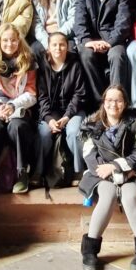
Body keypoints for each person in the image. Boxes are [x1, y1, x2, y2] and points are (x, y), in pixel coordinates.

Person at [78, 85, 136, 270]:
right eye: (109, 100)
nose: (114, 104)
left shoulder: (135, 123)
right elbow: (89, 155)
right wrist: (109, 172)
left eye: (118, 100)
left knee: (130, 196)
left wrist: (116, 167)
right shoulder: (90, 125)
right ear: (104, 102)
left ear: (125, 103)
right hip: (100, 173)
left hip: (132, 172)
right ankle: (90, 250)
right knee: (108, 195)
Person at [0, 23, 38, 194]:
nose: (9, 44)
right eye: (5, 40)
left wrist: (13, 105)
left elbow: (32, 94)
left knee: (17, 127)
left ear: (19, 41)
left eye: (13, 40)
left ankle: (22, 172)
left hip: (19, 106)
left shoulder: (28, 60)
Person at [74, 0, 131, 103]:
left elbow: (123, 22)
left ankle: (117, 100)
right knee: (85, 55)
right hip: (91, 41)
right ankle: (101, 103)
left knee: (117, 55)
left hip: (114, 40)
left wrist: (110, 42)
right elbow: (79, 22)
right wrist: (87, 41)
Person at [36, 32, 87, 178]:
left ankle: (79, 171)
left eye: (62, 44)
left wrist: (67, 117)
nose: (58, 48)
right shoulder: (42, 67)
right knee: (43, 134)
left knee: (73, 132)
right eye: (54, 45)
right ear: (48, 48)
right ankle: (39, 172)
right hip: (50, 113)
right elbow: (42, 96)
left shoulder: (75, 64)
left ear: (67, 46)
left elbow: (79, 94)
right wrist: (48, 119)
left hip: (73, 111)